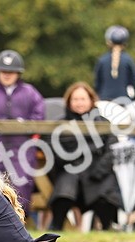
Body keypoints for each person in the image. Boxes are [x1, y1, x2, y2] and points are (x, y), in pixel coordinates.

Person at [0, 50, 45, 215]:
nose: (7, 75)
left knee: (22, 185)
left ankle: (18, 224)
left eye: (11, 72)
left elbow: (39, 116)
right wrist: (5, 121)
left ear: (18, 73)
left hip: (21, 147)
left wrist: (23, 125)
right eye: (3, 71)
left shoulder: (30, 92)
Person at [47, 82, 121, 231]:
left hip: (98, 173)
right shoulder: (61, 124)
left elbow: (113, 149)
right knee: (64, 191)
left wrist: (98, 172)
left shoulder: (103, 123)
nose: (79, 103)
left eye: (83, 99)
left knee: (106, 193)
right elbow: (54, 150)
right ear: (69, 102)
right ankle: (56, 228)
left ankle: (108, 228)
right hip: (71, 170)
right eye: (75, 99)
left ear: (91, 100)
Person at [94, 25, 135, 103]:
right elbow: (133, 83)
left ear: (109, 42)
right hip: (124, 100)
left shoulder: (102, 60)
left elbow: (97, 84)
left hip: (104, 99)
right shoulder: (128, 60)